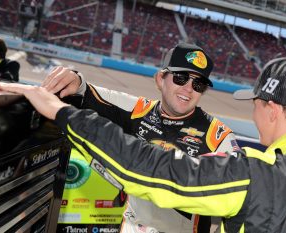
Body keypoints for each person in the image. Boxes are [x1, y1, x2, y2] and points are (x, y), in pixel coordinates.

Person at [0, 56, 286, 233]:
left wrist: (58, 111)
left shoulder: (253, 174)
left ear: (272, 109)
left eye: (255, 104)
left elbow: (142, 168)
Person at [42, 42, 239, 233]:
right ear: (160, 79)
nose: (189, 88)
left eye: (198, 84)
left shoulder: (218, 136)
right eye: (181, 78)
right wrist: (74, 78)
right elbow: (87, 92)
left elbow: (241, 198)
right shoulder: (137, 110)